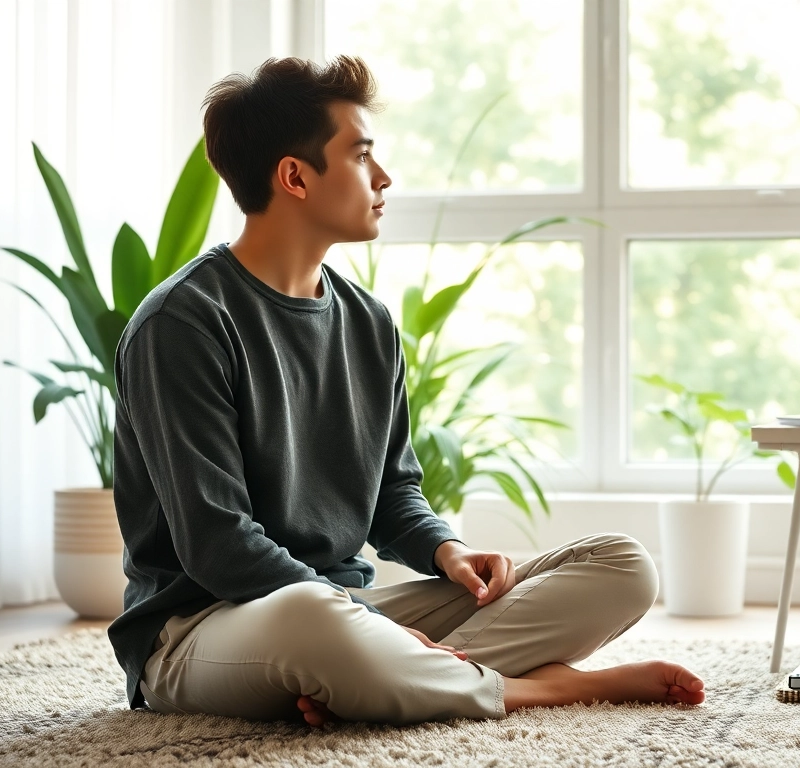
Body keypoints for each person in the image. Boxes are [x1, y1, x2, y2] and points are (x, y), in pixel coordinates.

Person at [106, 55, 705, 726]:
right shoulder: (182, 324)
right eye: (362, 157)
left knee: (621, 565)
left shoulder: (368, 322)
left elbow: (393, 492)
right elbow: (218, 546)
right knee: (315, 622)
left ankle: (386, 680)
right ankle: (545, 687)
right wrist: (364, 625)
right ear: (295, 176)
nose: (384, 178)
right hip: (203, 630)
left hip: (344, 609)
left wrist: (445, 551)